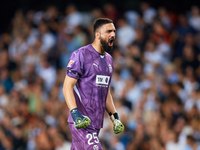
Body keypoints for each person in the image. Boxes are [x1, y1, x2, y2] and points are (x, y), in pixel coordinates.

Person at [62, 18, 124, 150]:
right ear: (97, 35)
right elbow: (67, 86)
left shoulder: (109, 60)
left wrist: (114, 116)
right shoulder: (80, 55)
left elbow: (105, 91)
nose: (113, 35)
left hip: (96, 123)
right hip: (81, 121)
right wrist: (75, 113)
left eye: (114, 31)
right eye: (108, 31)